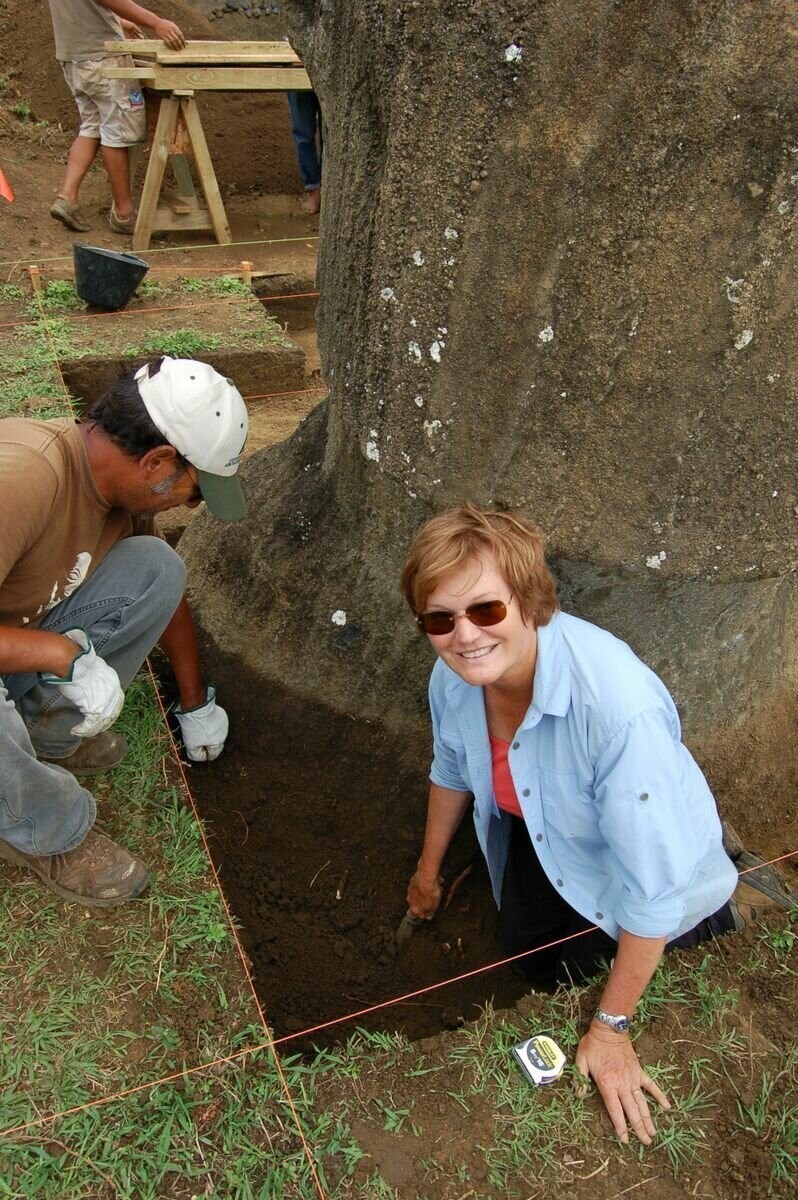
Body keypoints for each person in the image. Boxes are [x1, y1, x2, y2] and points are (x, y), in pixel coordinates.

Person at [400, 504, 782, 1147]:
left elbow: (652, 890)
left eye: (485, 610)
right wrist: (426, 873)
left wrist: (609, 1030)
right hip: (548, 838)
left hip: (647, 873)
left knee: (650, 940)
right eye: (440, 619)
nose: (464, 636)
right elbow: (451, 769)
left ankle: (727, 910)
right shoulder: (455, 676)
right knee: (531, 955)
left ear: (529, 600)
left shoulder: (615, 709)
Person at [0, 357, 248, 908]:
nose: (190, 503)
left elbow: (164, 591)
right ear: (158, 461)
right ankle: (46, 832)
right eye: (195, 492)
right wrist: (60, 652)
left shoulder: (116, 494)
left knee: (156, 566)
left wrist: (193, 702)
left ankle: (39, 730)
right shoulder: (21, 480)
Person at [46, 0, 186, 234]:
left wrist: (117, 21)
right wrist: (156, 22)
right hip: (102, 57)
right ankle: (124, 214)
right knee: (117, 133)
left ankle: (67, 197)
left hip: (74, 58)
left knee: (92, 127)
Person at [287, 90, 322, 215]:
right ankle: (313, 191)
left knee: (331, 133)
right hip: (297, 73)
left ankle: (330, 189)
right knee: (303, 133)